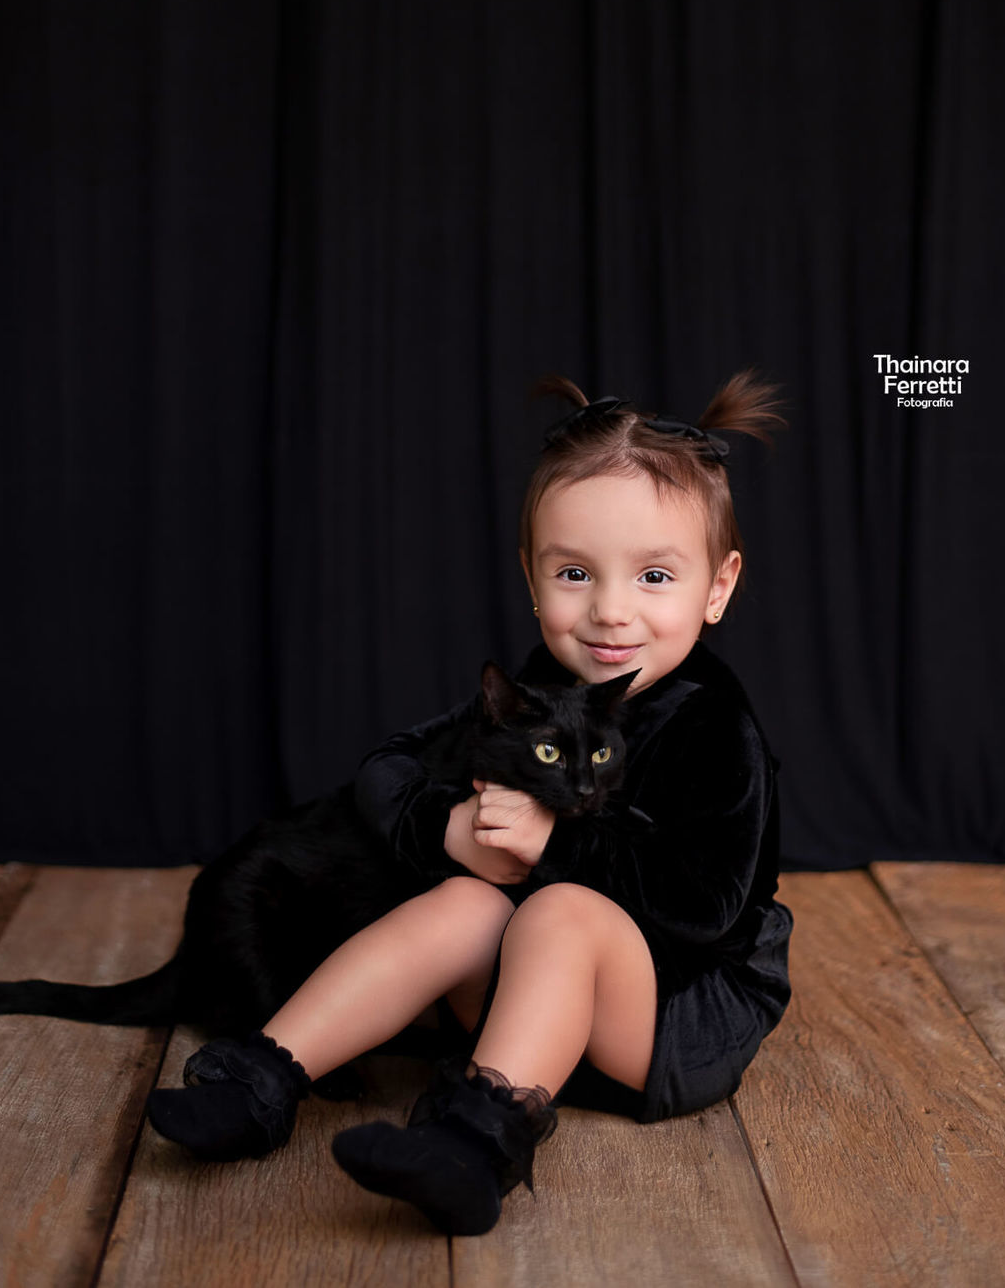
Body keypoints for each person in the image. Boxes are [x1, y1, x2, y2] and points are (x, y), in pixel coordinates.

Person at [147, 369, 795, 1236]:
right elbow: (387, 767)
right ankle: (264, 1079)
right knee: (466, 899)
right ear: (532, 579)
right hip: (532, 1000)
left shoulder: (715, 727)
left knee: (561, 907)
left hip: (671, 1018)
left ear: (717, 586)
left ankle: (471, 1149)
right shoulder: (540, 687)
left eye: (652, 576)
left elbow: (704, 908)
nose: (610, 612)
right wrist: (446, 829)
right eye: (575, 572)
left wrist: (551, 845)